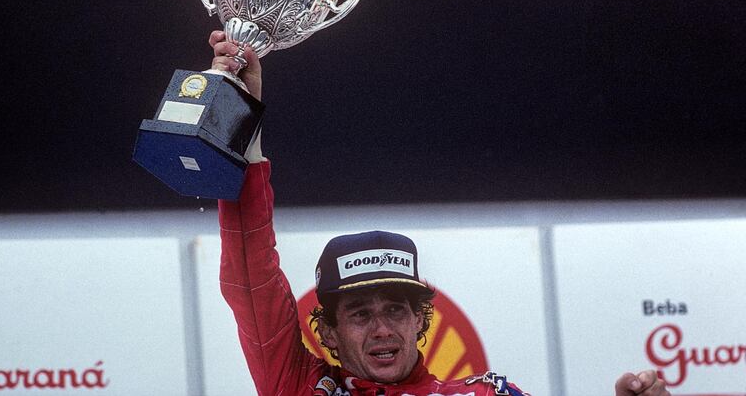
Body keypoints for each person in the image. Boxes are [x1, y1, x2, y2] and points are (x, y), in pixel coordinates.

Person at [210, 31, 671, 396]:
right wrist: (239, 113)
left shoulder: (487, 394)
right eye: (360, 314)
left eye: (396, 309)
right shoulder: (299, 386)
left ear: (419, 321)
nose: (383, 329)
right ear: (328, 333)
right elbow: (251, 276)